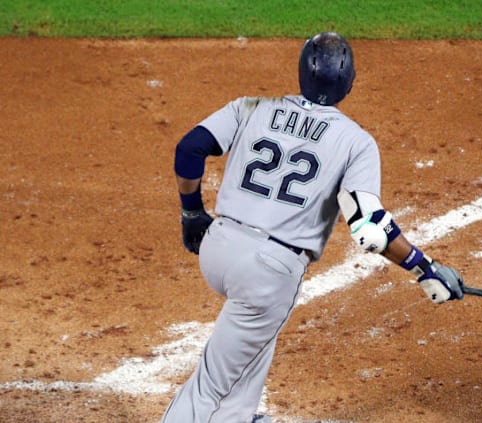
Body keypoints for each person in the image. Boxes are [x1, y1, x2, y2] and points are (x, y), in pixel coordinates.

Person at [161, 32, 465, 423]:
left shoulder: (251, 107)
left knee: (253, 338)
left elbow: (189, 149)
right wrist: (423, 267)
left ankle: (235, 417)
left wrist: (191, 213)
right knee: (211, 384)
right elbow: (369, 226)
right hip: (267, 272)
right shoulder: (356, 142)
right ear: (350, 83)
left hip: (217, 247)